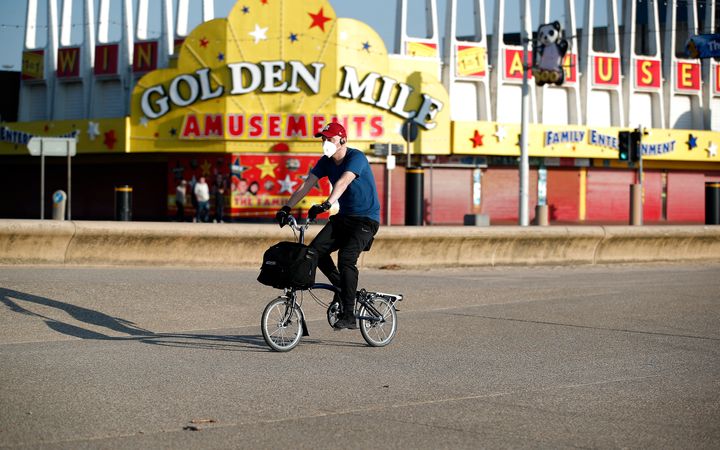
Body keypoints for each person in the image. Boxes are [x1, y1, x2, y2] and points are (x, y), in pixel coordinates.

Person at [275, 122, 380, 329]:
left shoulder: (355, 157)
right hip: (345, 217)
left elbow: (343, 181)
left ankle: (349, 314)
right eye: (323, 139)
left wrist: (326, 204)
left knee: (346, 258)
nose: (325, 143)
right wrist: (286, 208)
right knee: (314, 252)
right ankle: (342, 287)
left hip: (366, 219)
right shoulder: (325, 161)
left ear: (343, 140)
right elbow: (306, 184)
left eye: (329, 139)